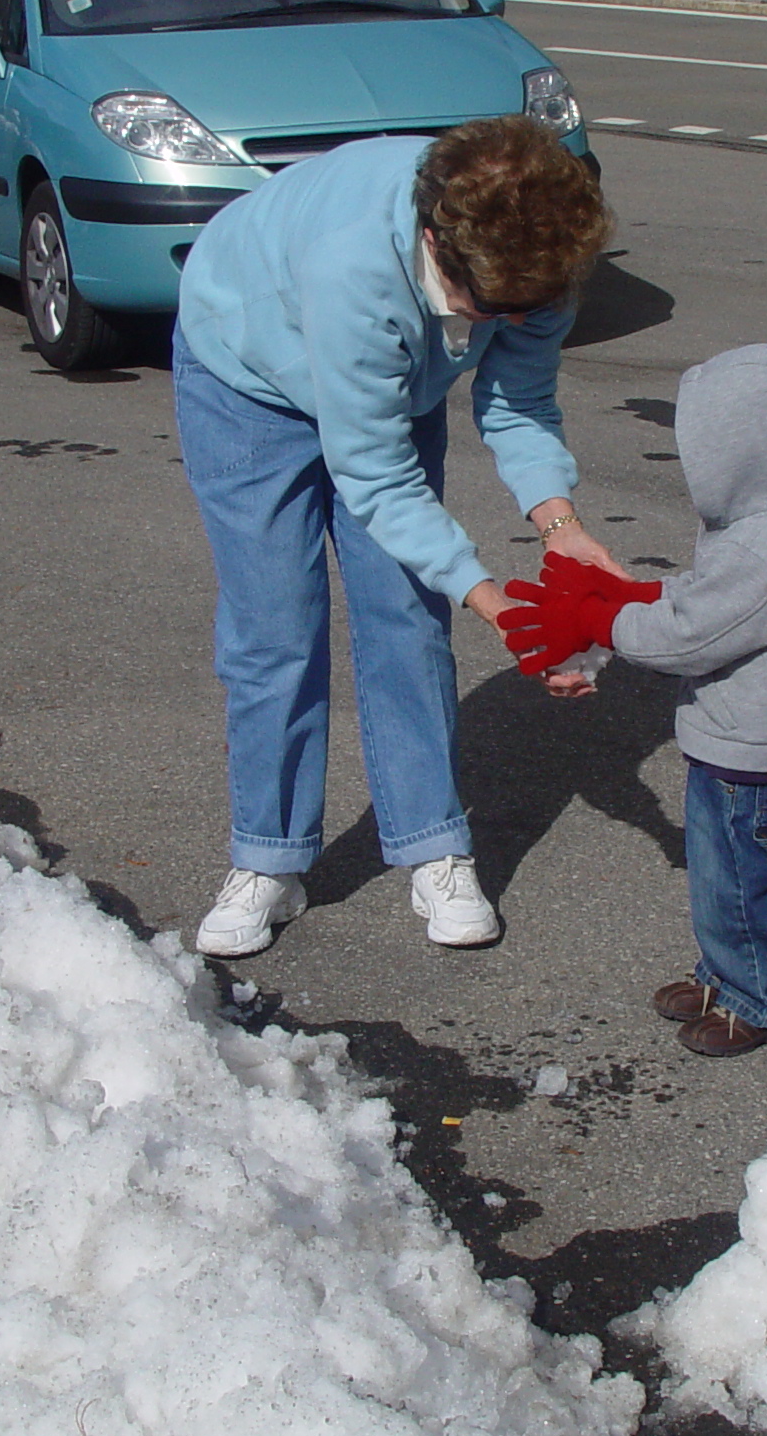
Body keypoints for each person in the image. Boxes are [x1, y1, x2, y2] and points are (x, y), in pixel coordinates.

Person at [172, 116, 622, 959]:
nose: (496, 321)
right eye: (483, 308)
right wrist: (503, 609)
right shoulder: (356, 265)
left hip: (386, 391)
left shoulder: (536, 261)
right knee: (275, 627)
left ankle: (432, 841)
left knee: (407, 618)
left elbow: (519, 401)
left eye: (516, 309)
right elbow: (377, 479)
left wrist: (560, 525)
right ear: (432, 242)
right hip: (248, 375)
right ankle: (268, 857)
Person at [499, 345, 767, 1057]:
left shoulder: (761, 548)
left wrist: (604, 620)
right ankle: (724, 974)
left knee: (743, 885)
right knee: (733, 879)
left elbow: (688, 639)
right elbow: (708, 603)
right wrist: (636, 594)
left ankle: (762, 1001)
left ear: (739, 457)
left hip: (758, 755)